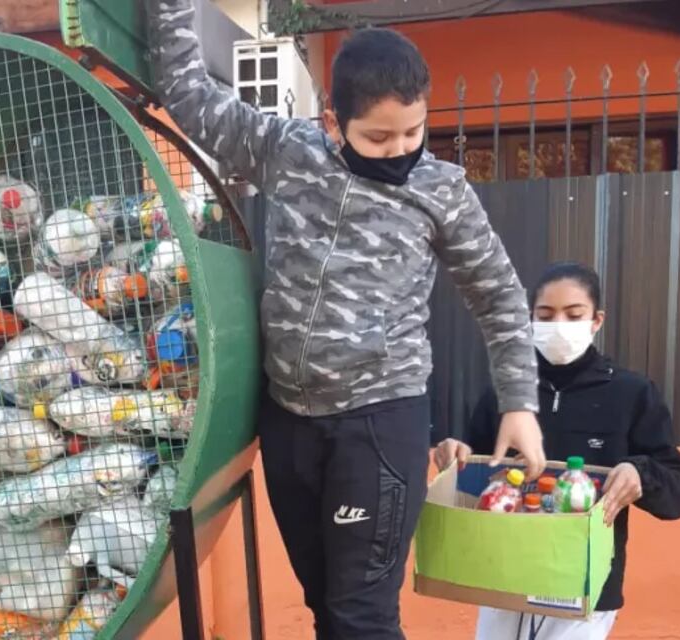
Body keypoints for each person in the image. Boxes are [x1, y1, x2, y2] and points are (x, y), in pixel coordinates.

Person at [148, 4, 546, 638]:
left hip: (380, 422)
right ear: (333, 121)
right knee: (325, 606)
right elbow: (189, 96)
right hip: (289, 423)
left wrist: (519, 404)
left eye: (413, 133)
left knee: (361, 618)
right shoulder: (285, 150)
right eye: (379, 138)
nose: (401, 152)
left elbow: (498, 295)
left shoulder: (441, 191)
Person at [435, 261, 680, 640]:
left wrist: (641, 473)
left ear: (596, 320)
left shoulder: (631, 394)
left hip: (584, 588)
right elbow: (473, 469)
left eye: (573, 315)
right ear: (531, 320)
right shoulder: (505, 395)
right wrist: (454, 455)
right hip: (503, 577)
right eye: (545, 315)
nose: (559, 325)